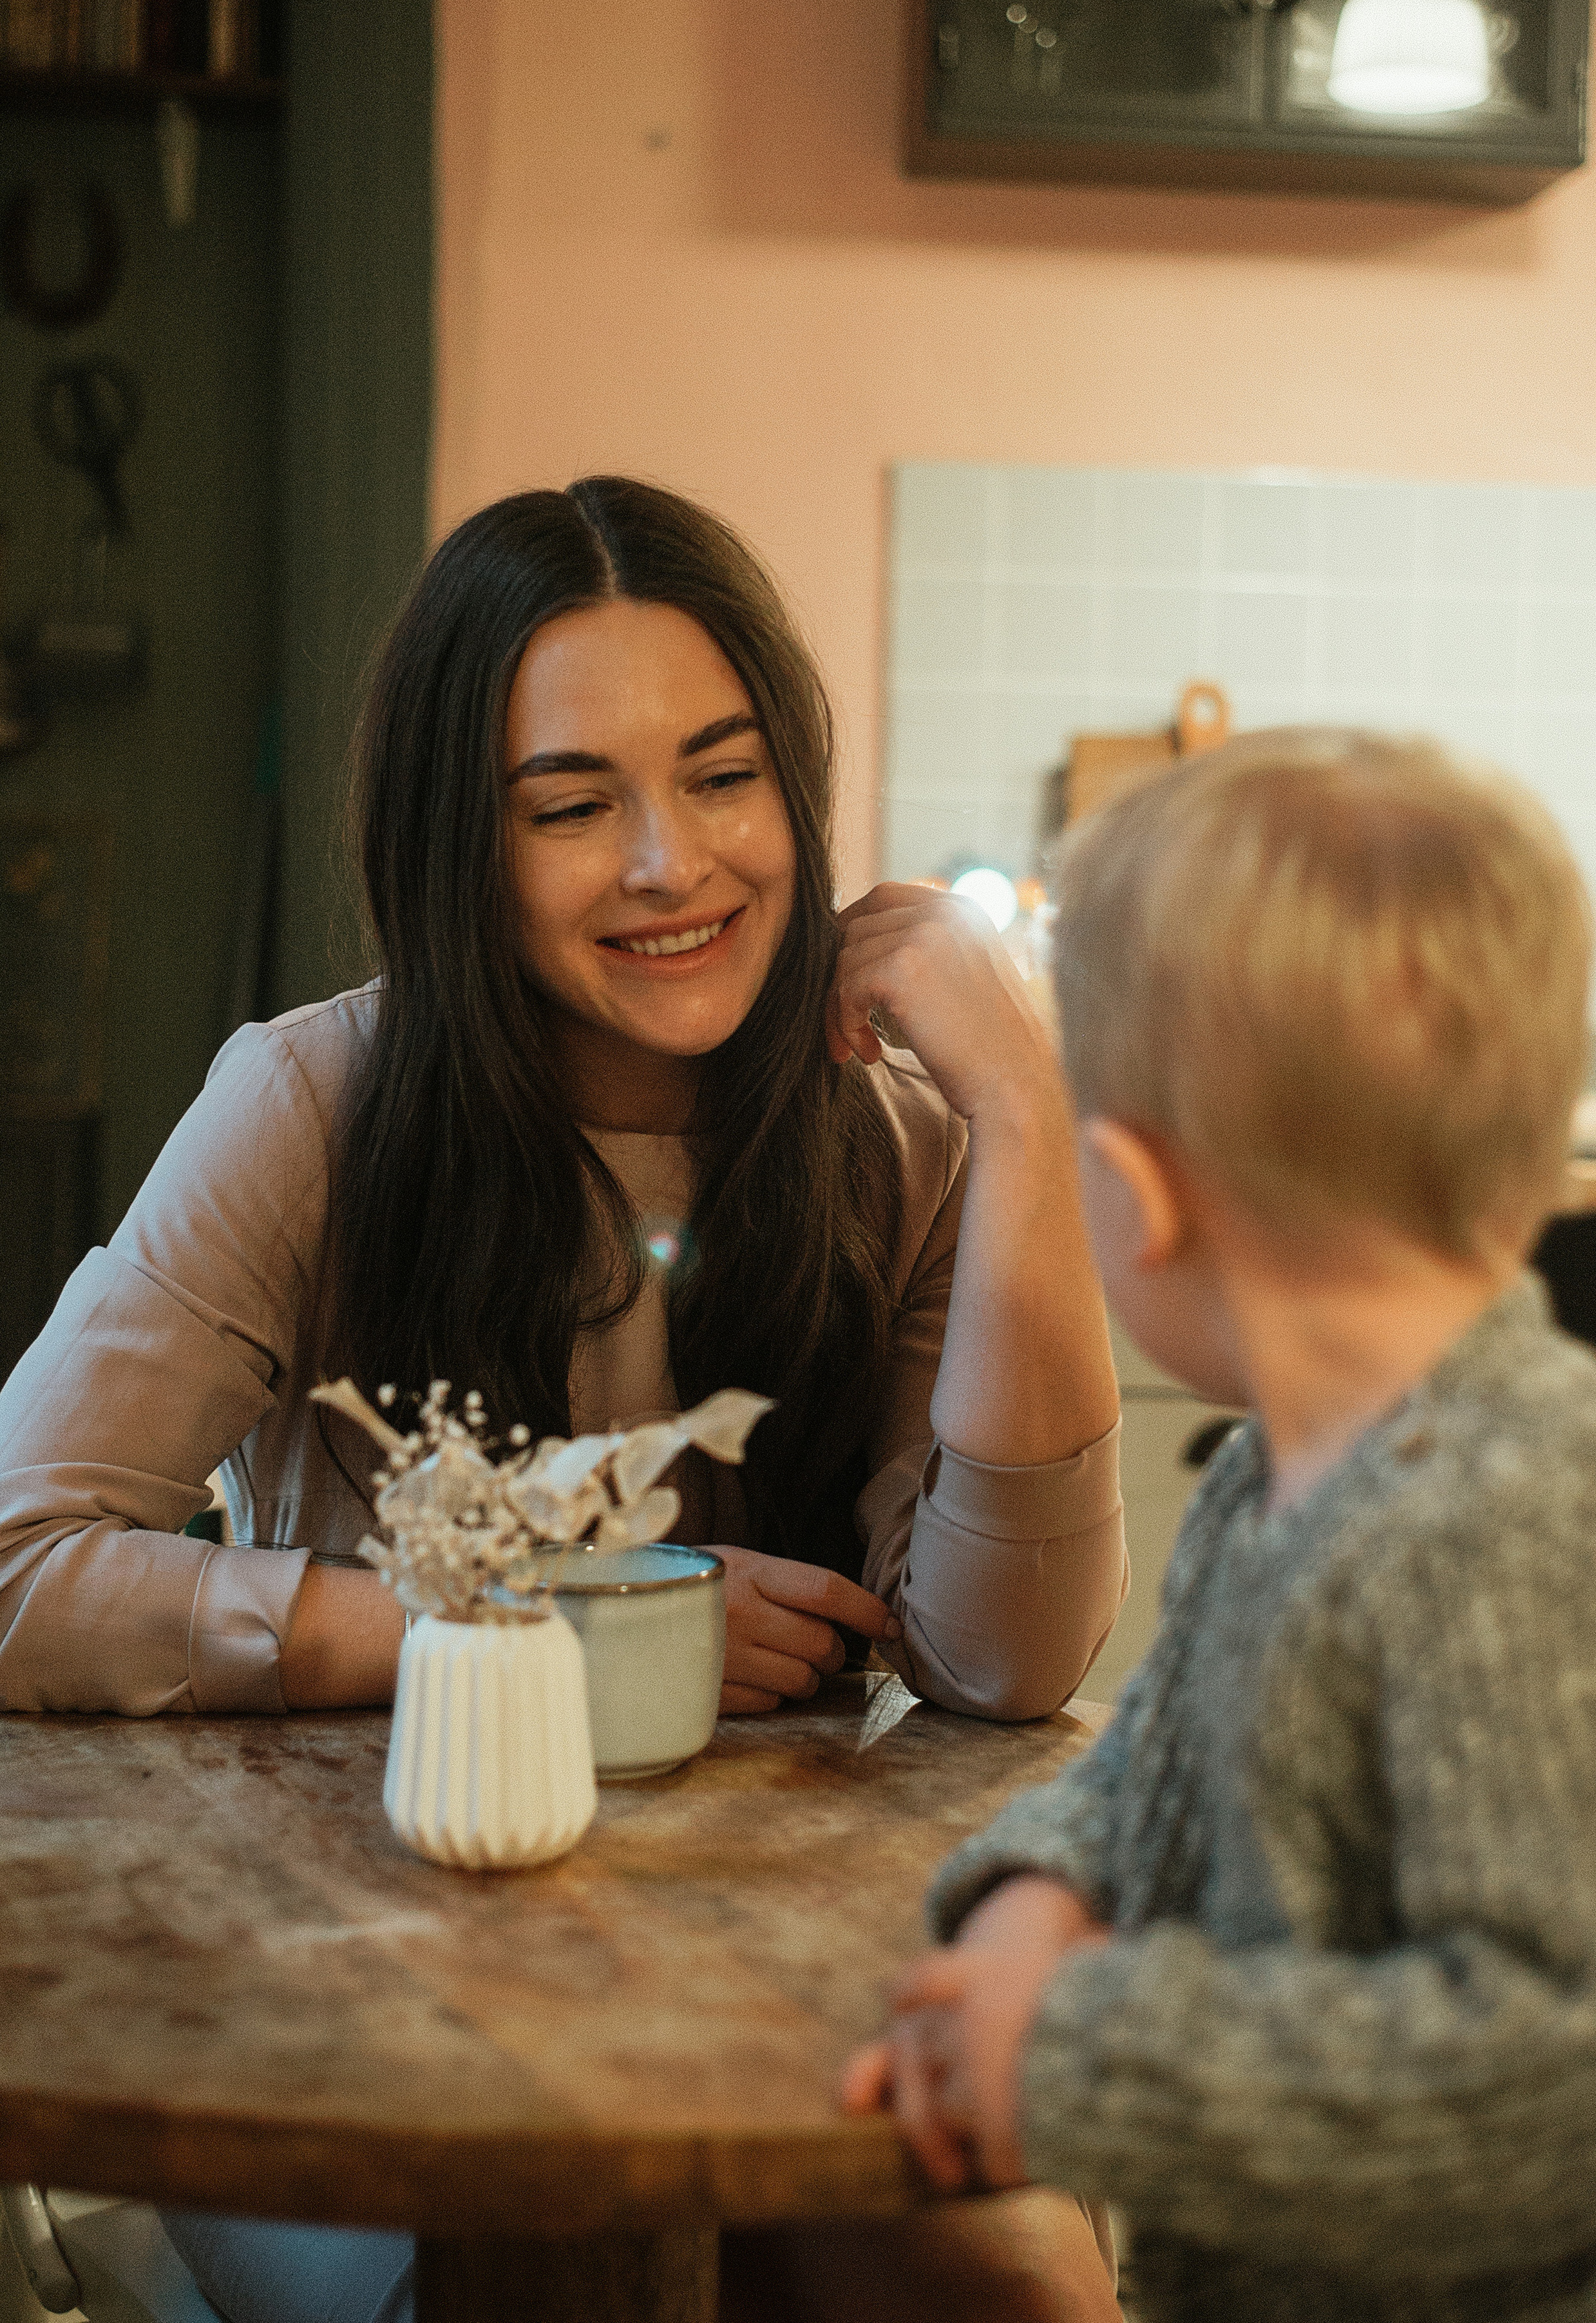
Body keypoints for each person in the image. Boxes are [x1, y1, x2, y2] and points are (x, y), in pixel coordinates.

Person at [0, 479, 1126, 2323]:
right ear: (465, 841)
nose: (671, 862)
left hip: (773, 1980)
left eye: (723, 776)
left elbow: (1002, 1661)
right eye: (572, 805)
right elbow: (17, 1557)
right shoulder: (309, 1105)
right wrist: (528, 1628)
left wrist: (1023, 1106)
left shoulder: (900, 1145)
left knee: (1019, 2289)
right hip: (341, 1975)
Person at [844, 728, 1596, 2322]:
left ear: (1135, 1198)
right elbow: (1150, 1763)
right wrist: (1030, 1906)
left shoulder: (1517, 1512)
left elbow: (1567, 2071)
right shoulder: (1271, 1477)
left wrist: (1080, 2051)